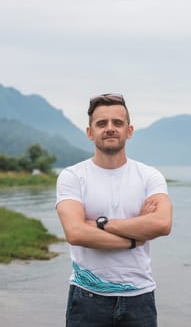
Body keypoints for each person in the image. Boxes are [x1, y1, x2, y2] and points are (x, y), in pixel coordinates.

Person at [56, 94, 173, 327]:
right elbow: (76, 234)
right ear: (90, 132)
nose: (110, 128)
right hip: (87, 297)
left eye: (117, 123)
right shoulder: (73, 176)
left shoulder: (149, 176)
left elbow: (162, 224)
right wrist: (134, 238)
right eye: (101, 123)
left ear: (129, 131)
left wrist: (99, 223)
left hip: (140, 297)